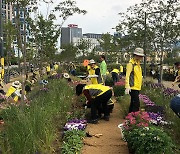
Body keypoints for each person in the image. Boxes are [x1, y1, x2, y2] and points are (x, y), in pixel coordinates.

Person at [125, 48, 144, 113]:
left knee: (133, 103)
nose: (141, 57)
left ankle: (130, 117)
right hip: (132, 87)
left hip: (137, 87)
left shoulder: (138, 64)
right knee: (136, 104)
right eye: (140, 56)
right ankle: (134, 118)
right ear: (136, 55)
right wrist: (127, 86)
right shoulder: (131, 64)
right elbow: (127, 76)